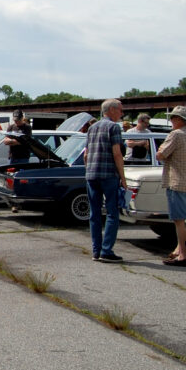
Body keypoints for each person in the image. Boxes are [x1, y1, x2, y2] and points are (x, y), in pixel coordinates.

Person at [156, 106, 186, 267]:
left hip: (177, 182)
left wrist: (160, 148)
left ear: (179, 119)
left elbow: (160, 154)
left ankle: (184, 255)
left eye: (172, 118)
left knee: (179, 220)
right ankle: (179, 249)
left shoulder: (176, 134)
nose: (171, 121)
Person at [83, 99, 126, 263]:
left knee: (94, 214)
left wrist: (89, 169)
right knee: (112, 213)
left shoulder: (92, 128)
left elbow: (86, 154)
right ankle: (106, 250)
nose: (122, 113)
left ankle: (96, 250)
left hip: (92, 175)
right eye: (120, 110)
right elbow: (117, 153)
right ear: (112, 110)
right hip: (108, 174)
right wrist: (123, 177)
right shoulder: (114, 127)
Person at [2, 109, 33, 212]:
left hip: (23, 158)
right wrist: (14, 141)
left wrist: (13, 141)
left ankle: (21, 202)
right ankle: (14, 203)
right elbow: (5, 141)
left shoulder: (27, 127)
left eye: (18, 120)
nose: (16, 122)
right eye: (15, 120)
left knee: (22, 180)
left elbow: (25, 141)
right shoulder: (11, 127)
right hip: (13, 157)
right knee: (11, 181)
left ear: (22, 118)